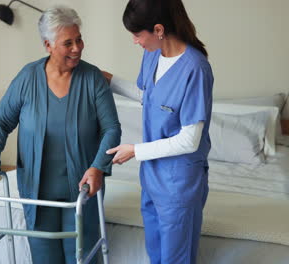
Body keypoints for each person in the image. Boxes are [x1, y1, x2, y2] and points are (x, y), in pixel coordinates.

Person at [0, 5, 121, 264]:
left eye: (79, 39)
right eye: (68, 43)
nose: (77, 47)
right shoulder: (28, 78)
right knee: (44, 258)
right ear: (48, 45)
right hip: (37, 192)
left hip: (82, 190)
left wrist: (99, 167)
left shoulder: (93, 79)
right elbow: (0, 120)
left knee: (83, 256)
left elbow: (112, 128)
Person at [103, 0, 213, 263]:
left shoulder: (195, 69)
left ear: (159, 29)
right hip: (151, 176)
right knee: (155, 252)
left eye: (137, 35)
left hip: (178, 182)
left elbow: (190, 139)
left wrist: (135, 151)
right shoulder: (153, 54)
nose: (135, 41)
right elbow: (149, 96)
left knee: (175, 257)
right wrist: (109, 80)